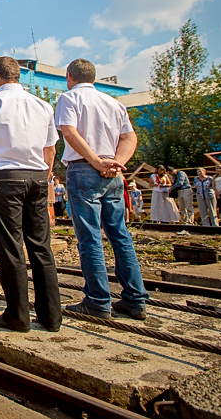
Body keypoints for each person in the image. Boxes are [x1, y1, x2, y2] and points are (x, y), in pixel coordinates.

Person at [0, 56, 61, 333]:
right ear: (17, 76)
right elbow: (50, 150)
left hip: (5, 179)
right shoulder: (43, 106)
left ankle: (17, 315)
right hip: (37, 177)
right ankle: (51, 315)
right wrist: (45, 177)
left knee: (10, 247)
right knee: (41, 246)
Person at [55, 59, 149, 321]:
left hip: (84, 169)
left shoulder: (69, 98)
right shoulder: (114, 103)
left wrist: (96, 161)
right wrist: (118, 162)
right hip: (113, 172)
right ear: (93, 77)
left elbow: (70, 134)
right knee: (120, 234)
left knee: (90, 237)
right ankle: (135, 298)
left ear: (69, 76)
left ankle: (97, 300)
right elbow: (130, 137)